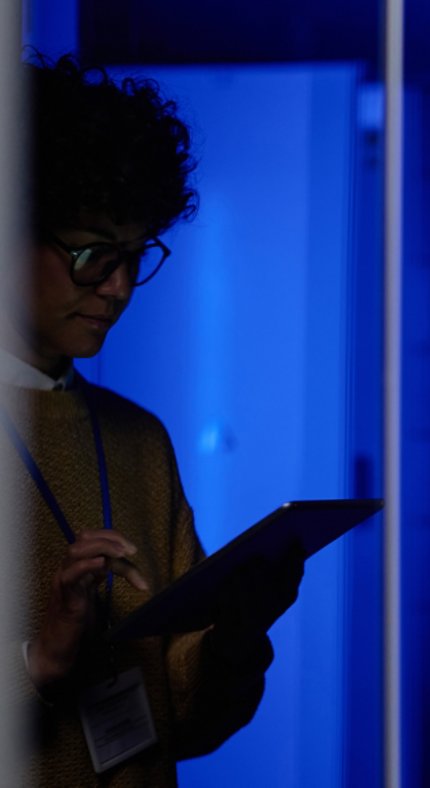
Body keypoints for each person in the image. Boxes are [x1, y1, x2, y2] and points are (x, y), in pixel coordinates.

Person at [2, 54, 304, 785]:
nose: (118, 288)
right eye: (91, 254)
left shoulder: (140, 439)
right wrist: (40, 663)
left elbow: (184, 716)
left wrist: (235, 633)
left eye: (136, 257)